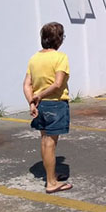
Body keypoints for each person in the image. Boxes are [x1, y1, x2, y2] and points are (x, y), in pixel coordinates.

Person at [23, 22, 72, 194]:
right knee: (50, 143)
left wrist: (32, 101)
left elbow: (27, 84)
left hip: (40, 106)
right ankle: (51, 182)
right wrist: (40, 96)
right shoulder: (60, 57)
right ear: (59, 39)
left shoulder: (34, 58)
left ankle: (51, 175)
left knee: (44, 141)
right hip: (55, 104)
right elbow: (58, 84)